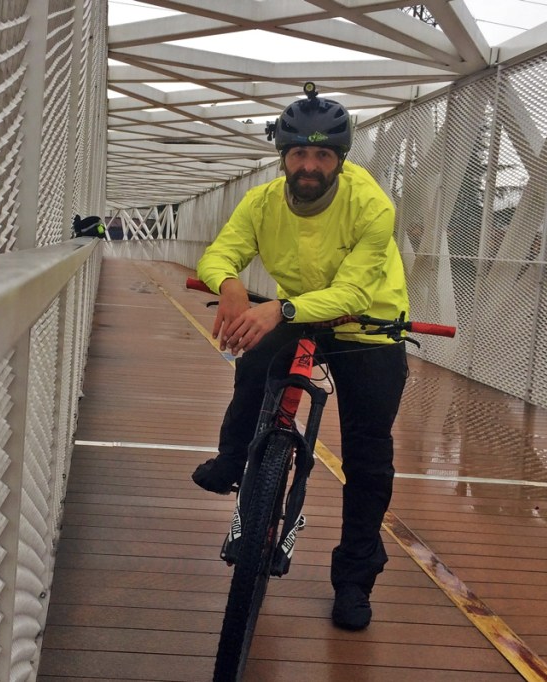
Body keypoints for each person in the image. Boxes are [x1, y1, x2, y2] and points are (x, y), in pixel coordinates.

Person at [192, 83, 410, 631]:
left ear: (340, 160)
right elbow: (222, 251)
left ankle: (354, 581)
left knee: (368, 457)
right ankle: (233, 461)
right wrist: (230, 284)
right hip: (298, 311)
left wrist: (279, 311)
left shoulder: (371, 205)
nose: (309, 165)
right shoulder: (262, 201)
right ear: (283, 157)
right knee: (252, 363)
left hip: (368, 324)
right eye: (298, 154)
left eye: (322, 155)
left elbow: (356, 292)